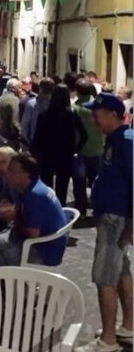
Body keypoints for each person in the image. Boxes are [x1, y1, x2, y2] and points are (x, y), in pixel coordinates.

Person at [76, 93, 133, 352]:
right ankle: (128, 327)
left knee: (104, 277)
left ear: (112, 114)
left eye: (97, 114)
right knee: (120, 271)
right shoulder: (116, 139)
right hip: (113, 215)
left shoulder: (125, 141)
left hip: (115, 218)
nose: (94, 118)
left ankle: (108, 340)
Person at [0, 153, 69, 268]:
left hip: (43, 251)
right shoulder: (28, 189)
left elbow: (33, 234)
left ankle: (12, 283)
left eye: (12, 171)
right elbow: (19, 211)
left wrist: (13, 219)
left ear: (27, 174)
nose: (7, 174)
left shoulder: (35, 195)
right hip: (36, 241)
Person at [33, 84, 86, 204]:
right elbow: (84, 135)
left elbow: (37, 137)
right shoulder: (72, 114)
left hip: (46, 155)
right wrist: (76, 149)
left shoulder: (44, 114)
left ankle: (48, 210)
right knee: (62, 187)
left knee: (47, 187)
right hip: (65, 155)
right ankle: (61, 211)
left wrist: (36, 153)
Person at [73, 79, 104, 221]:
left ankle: (81, 210)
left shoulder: (75, 108)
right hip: (98, 148)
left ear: (77, 91)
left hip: (80, 150)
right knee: (96, 182)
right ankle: (98, 208)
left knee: (79, 182)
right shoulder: (98, 106)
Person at [21, 78, 55, 149]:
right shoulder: (56, 104)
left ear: (40, 88)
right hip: (52, 142)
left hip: (35, 141)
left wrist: (28, 142)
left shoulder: (31, 104)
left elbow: (25, 126)